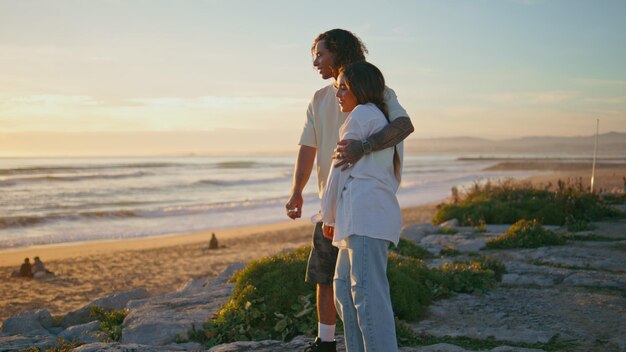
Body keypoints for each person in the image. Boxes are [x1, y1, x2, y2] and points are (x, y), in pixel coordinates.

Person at [285, 29, 413, 352]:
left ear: (338, 53)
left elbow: (403, 126)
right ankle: (327, 341)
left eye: (320, 54)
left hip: (359, 203)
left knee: (365, 292)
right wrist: (297, 191)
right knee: (337, 283)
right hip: (340, 202)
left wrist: (364, 147)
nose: (315, 62)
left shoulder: (372, 95)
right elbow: (307, 148)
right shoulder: (321, 99)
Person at [321, 61, 401, 352]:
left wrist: (326, 216)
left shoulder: (361, 115)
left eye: (344, 87)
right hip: (360, 216)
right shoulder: (374, 116)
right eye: (337, 87)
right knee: (343, 288)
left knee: (367, 294)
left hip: (366, 215)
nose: (338, 93)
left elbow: (338, 170)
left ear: (361, 89)